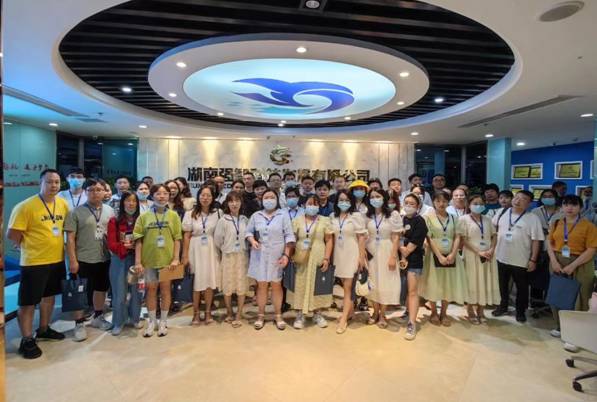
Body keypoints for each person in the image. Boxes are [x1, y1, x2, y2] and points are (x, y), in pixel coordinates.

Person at [7, 169, 68, 359]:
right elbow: (13, 234)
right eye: (49, 182)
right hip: (34, 262)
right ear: (40, 183)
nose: (54, 185)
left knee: (49, 297)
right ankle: (26, 339)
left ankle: (43, 329)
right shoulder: (26, 206)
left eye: (57, 182)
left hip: (56, 260)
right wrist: (26, 246)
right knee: (28, 302)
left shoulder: (62, 204)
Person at [65, 178, 115, 340]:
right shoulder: (75, 212)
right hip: (83, 259)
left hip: (104, 257)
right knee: (79, 292)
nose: (95, 193)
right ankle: (79, 324)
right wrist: (72, 260)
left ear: (104, 192)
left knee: (101, 289)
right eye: (91, 190)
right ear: (85, 192)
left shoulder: (109, 210)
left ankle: (98, 317)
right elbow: (70, 239)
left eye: (99, 190)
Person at [547, 195, 597, 352]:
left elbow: (592, 249)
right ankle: (560, 326)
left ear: (580, 208)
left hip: (581, 264)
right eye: (566, 204)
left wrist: (573, 265)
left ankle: (576, 336)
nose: (569, 208)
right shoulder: (556, 223)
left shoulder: (589, 226)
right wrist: (554, 261)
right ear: (562, 207)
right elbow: (549, 243)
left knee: (579, 299)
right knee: (558, 295)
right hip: (558, 261)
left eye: (574, 205)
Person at [133, 184, 182, 337]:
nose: (162, 196)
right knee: (151, 290)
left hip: (168, 262)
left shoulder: (173, 215)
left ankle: (163, 322)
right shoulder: (143, 216)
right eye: (158, 193)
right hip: (148, 261)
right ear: (152, 196)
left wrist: (176, 259)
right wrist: (138, 262)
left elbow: (177, 239)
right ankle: (152, 321)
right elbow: (138, 241)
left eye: (165, 193)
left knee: (166, 290)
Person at [246, 189, 296, 330]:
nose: (269, 200)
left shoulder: (283, 215)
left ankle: (278, 315)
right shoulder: (256, 215)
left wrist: (286, 255)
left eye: (272, 197)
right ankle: (260, 315)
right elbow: (248, 232)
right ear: (262, 200)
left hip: (277, 254)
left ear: (277, 199)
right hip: (260, 254)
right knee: (261, 285)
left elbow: (289, 236)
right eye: (266, 197)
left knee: (276, 285)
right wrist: (252, 240)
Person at [492, 190, 544, 322]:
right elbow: (494, 232)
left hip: (521, 260)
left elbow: (536, 240)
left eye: (523, 199)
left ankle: (520, 311)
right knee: (502, 285)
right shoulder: (502, 212)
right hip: (501, 257)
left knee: (522, 287)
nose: (518, 200)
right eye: (516, 197)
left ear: (529, 203)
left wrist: (533, 260)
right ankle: (502, 306)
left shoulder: (532, 218)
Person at [420, 192, 468, 326]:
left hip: (451, 256)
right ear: (433, 202)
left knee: (448, 283)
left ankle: (444, 313)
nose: (441, 204)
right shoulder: (427, 218)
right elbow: (429, 238)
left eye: (444, 201)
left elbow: (458, 236)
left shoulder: (454, 218)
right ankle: (433, 312)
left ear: (448, 202)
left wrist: (453, 254)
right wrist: (439, 256)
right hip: (433, 256)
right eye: (438, 201)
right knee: (434, 283)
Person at [288, 194, 334, 329]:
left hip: (318, 255)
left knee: (317, 285)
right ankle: (299, 315)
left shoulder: (325, 220)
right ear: (304, 205)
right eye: (309, 203)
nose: (312, 206)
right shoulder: (297, 220)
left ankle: (317, 314)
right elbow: (292, 240)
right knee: (300, 284)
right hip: (301, 256)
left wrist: (327, 258)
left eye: (315, 204)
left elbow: (329, 240)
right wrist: (291, 256)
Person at [182, 186, 222, 325]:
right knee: (197, 282)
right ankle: (196, 313)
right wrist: (185, 255)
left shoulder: (218, 213)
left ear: (213, 198)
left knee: (210, 282)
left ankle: (208, 312)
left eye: (208, 195)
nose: (205, 198)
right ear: (198, 196)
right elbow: (186, 236)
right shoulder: (190, 213)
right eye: (202, 195)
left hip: (212, 248)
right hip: (195, 248)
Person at [364, 189, 403, 329]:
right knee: (372, 281)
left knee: (386, 282)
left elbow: (396, 237)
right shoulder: (367, 215)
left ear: (384, 198)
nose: (375, 199)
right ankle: (375, 312)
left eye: (378, 196)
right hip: (371, 251)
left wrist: (393, 256)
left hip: (387, 250)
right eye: (372, 197)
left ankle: (382, 314)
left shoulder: (393, 215)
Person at [329, 189, 367, 333]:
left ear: (351, 202)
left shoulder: (356, 216)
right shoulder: (333, 216)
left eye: (346, 200)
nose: (344, 203)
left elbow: (361, 238)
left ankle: (343, 319)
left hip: (352, 254)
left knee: (348, 288)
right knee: (344, 285)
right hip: (338, 255)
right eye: (341, 200)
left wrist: (361, 257)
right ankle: (350, 312)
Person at [458, 195, 500, 324]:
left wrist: (491, 249)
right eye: (475, 203)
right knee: (472, 282)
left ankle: (481, 311)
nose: (478, 206)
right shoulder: (463, 219)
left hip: (488, 255)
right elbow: (463, 239)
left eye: (481, 203)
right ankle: (470, 310)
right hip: (472, 255)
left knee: (485, 281)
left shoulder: (488, 219)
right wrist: (478, 251)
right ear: (469, 204)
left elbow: (494, 235)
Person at [107, 191, 143, 335]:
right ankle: (118, 321)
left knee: (136, 291)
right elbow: (111, 244)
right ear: (122, 203)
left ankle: (135, 318)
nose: (131, 204)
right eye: (128, 200)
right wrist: (124, 247)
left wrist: (137, 248)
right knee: (119, 293)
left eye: (134, 201)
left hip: (136, 260)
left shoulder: (141, 220)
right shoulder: (114, 221)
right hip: (119, 260)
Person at [214, 191, 249, 328]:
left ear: (241, 202)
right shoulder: (223, 220)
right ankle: (229, 312)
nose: (234, 204)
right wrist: (226, 248)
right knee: (227, 285)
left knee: (241, 285)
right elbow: (218, 240)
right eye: (231, 201)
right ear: (227, 203)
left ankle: (239, 313)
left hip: (242, 256)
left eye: (237, 201)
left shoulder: (245, 219)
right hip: (228, 256)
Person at [399, 193, 428, 340]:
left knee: (412, 292)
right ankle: (407, 312)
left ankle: (412, 323)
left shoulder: (420, 221)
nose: (408, 206)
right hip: (401, 260)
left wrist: (402, 248)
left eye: (412, 204)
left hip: (414, 260)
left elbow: (409, 247)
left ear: (418, 206)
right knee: (404, 290)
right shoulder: (402, 219)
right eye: (406, 203)